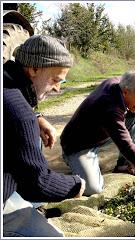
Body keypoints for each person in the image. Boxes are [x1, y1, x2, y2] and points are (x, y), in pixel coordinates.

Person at [3, 35, 86, 237]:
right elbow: (37, 184)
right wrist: (75, 184)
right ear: (34, 69)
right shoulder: (19, 115)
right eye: (56, 80)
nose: (58, 88)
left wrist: (37, 117)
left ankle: (34, 208)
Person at [60, 68, 135, 197]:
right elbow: (128, 148)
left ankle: (123, 166)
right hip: (79, 145)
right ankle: (72, 164)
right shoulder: (110, 108)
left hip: (98, 133)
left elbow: (129, 107)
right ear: (125, 92)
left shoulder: (119, 83)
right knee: (92, 189)